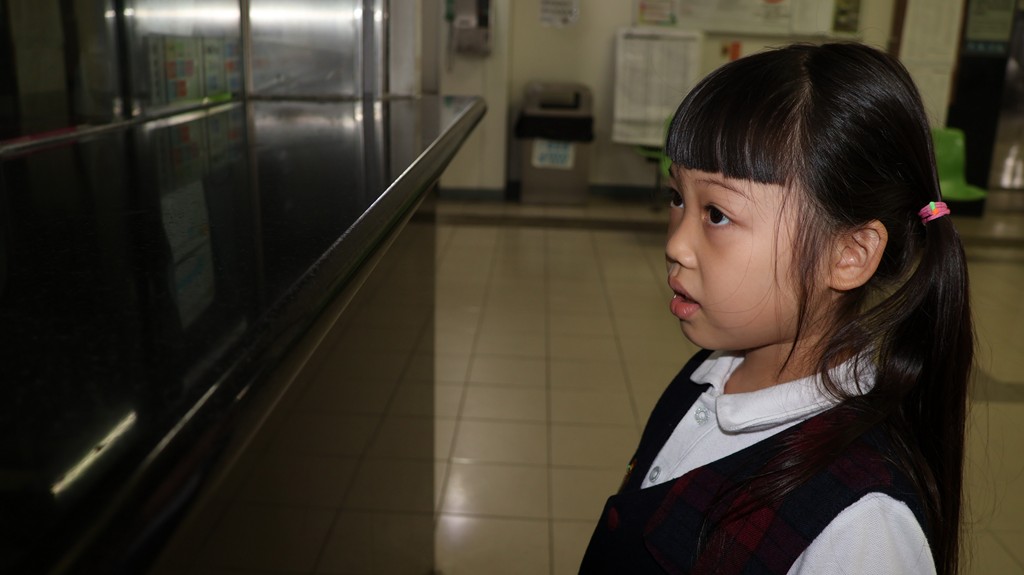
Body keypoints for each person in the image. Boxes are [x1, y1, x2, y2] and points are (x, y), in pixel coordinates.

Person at [579, 42, 973, 575]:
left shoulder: (861, 527)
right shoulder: (709, 373)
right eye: (677, 198)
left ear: (848, 255)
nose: (675, 244)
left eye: (716, 213)